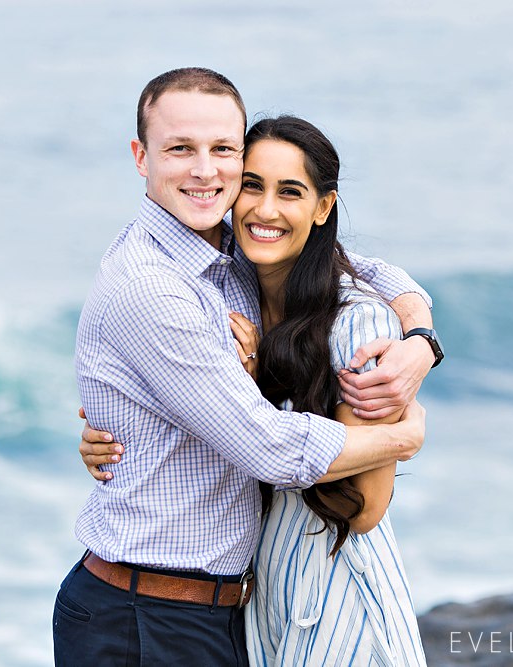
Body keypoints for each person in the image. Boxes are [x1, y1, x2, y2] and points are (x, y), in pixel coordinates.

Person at [55, 68, 441, 666]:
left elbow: (368, 271)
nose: (205, 170)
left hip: (222, 611)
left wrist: (420, 338)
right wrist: (402, 436)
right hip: (145, 615)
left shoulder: (230, 248)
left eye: (222, 150)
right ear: (141, 156)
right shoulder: (153, 288)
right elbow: (266, 448)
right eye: (180, 148)